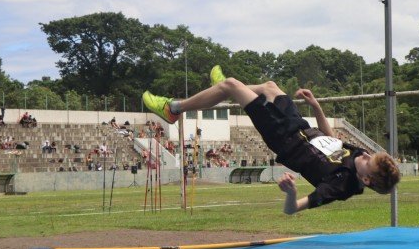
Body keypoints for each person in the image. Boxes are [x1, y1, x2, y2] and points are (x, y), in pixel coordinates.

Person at [142, 65, 400, 214]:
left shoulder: (340, 187)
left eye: (370, 160)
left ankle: (173, 109)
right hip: (298, 124)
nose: (365, 154)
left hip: (283, 137)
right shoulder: (356, 158)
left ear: (366, 179)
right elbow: (332, 140)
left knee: (231, 84)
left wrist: (291, 192)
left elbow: (292, 209)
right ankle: (224, 90)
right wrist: (317, 107)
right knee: (269, 86)